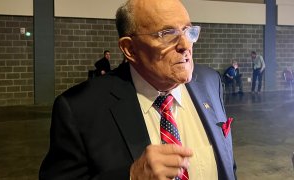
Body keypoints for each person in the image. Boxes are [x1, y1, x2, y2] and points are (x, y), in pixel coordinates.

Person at [39, 0, 237, 179]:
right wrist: (131, 177)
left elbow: (228, 165)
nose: (186, 45)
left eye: (188, 30)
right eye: (168, 34)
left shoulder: (210, 82)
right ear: (130, 49)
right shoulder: (79, 109)